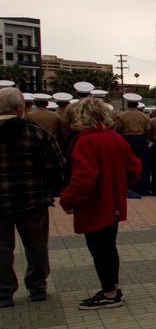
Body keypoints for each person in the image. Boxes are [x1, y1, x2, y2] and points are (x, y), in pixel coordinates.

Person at [59, 97, 142, 310]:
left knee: (99, 248)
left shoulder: (86, 141)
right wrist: (118, 183)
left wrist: (67, 198)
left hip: (95, 203)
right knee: (108, 246)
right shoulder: (115, 138)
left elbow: (84, 178)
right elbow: (134, 169)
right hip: (113, 199)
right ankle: (113, 287)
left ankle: (109, 293)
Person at [0, 88, 66, 307]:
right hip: (32, 199)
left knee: (2, 248)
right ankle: (37, 288)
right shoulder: (35, 132)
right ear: (19, 108)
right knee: (36, 245)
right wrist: (47, 185)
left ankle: (4, 292)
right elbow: (57, 163)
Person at [117, 93, 152, 197]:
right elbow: (148, 130)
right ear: (137, 104)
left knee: (125, 163)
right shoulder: (144, 116)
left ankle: (128, 187)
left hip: (126, 139)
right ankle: (143, 188)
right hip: (140, 139)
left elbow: (118, 129)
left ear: (127, 104)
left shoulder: (121, 116)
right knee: (142, 164)